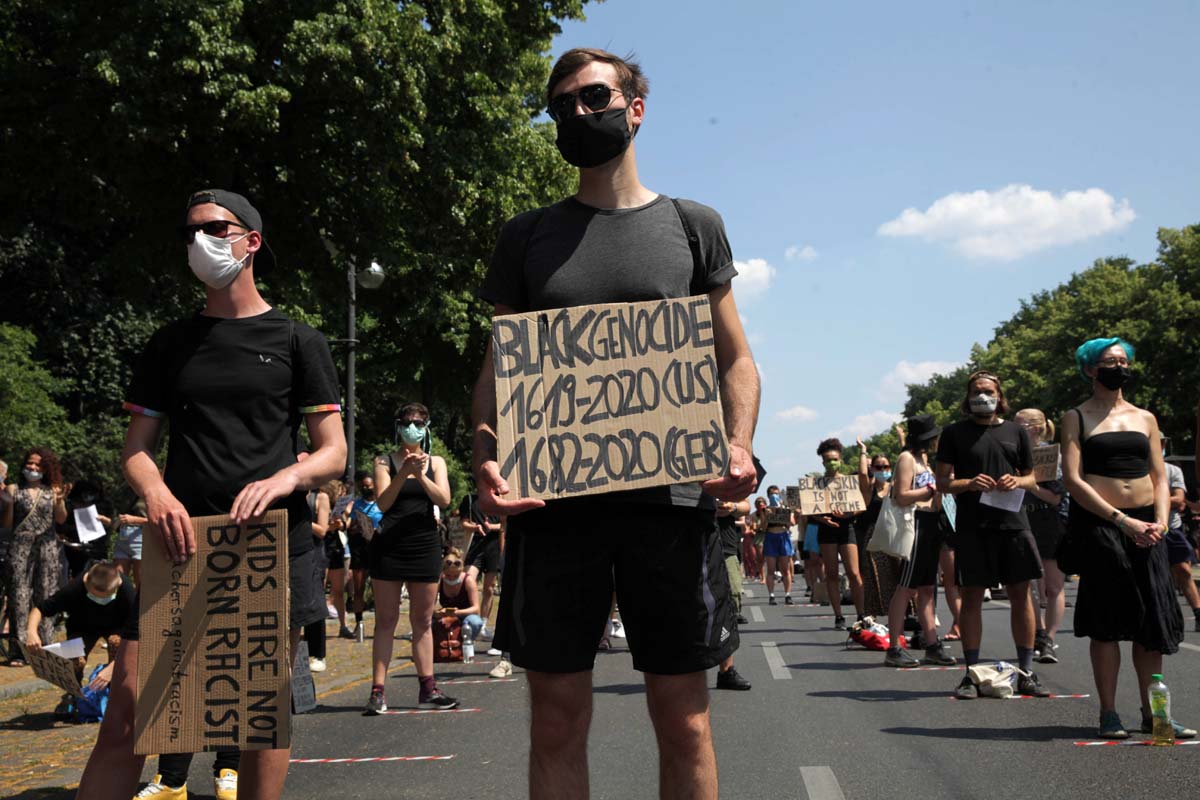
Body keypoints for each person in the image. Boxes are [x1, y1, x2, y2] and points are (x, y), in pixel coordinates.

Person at [471, 48, 758, 799]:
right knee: (556, 720)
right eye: (561, 104)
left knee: (685, 720)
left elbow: (735, 359)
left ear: (635, 109)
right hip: (553, 508)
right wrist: (485, 456)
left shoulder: (693, 227)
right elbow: (498, 372)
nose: (577, 112)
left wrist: (738, 446)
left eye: (593, 97)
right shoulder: (525, 237)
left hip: (672, 506)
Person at [76, 188, 347, 800]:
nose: (199, 241)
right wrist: (155, 492)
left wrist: (285, 479)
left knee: (260, 719)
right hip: (179, 545)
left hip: (269, 548)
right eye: (190, 231)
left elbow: (333, 451)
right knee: (126, 711)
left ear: (251, 241)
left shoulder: (299, 340)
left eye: (214, 228)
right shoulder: (169, 343)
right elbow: (137, 448)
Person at [1061, 338, 1193, 739]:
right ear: (1090, 369)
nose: (1118, 367)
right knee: (1106, 622)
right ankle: (1109, 713)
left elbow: (1159, 477)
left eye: (1123, 361)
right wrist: (1122, 521)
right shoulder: (1076, 417)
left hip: (1149, 527)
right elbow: (1073, 479)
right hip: (1103, 526)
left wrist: (1159, 523)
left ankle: (1155, 714)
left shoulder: (1145, 418)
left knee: (1152, 620)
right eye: (1109, 361)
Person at [935, 370, 1050, 700]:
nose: (982, 396)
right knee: (972, 596)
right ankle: (971, 674)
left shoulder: (1016, 432)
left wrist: (1017, 481)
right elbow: (942, 482)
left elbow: (1031, 478)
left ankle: (1026, 672)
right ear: (967, 397)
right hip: (973, 527)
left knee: (1021, 595)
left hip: (1013, 524)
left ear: (1000, 397)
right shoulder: (954, 433)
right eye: (976, 392)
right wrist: (969, 483)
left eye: (988, 391)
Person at [364, 402, 457, 714]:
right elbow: (383, 503)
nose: (412, 428)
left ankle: (428, 688)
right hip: (389, 547)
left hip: (424, 546)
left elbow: (444, 499)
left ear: (426, 427)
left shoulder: (437, 462)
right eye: (406, 423)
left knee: (422, 621)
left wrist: (421, 475)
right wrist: (403, 473)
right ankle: (378, 691)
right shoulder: (384, 461)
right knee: (386, 620)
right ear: (398, 426)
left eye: (418, 423)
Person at [882, 416, 957, 668]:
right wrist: (930, 490)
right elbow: (901, 495)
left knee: (926, 589)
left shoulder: (923, 460)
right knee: (906, 588)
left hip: (931, 524)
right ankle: (894, 647)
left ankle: (932, 644)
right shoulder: (906, 459)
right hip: (915, 525)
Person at [26, 561, 134, 708]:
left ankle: (115, 692)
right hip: (83, 626)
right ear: (86, 582)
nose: (101, 601)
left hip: (117, 627)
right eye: (95, 596)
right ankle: (72, 694)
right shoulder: (74, 588)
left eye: (106, 597)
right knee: (76, 659)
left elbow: (136, 629)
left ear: (118, 584)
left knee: (117, 643)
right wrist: (32, 632)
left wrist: (113, 668)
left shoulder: (126, 590)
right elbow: (40, 609)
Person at [3, 447, 68, 666]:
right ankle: (19, 651)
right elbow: (7, 524)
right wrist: (8, 504)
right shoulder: (14, 489)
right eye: (29, 463)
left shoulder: (52, 491)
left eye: (37, 465)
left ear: (46, 468)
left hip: (47, 548)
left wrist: (59, 500)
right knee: (18, 597)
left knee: (46, 595)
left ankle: (46, 647)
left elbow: (61, 519)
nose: (32, 467)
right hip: (20, 548)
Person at [1014, 408, 1068, 664]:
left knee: (1053, 585)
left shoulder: (1049, 456)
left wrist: (1029, 484)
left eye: (1020, 426)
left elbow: (1055, 497)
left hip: (1049, 520)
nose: (1014, 430)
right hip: (1023, 519)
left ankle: (1049, 639)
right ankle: (1038, 632)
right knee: (1027, 584)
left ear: (1035, 429)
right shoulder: (1013, 454)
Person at [812, 438, 865, 630]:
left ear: (840, 460)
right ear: (823, 462)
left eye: (834, 459)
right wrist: (822, 519)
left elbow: (860, 506)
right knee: (832, 573)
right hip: (827, 530)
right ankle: (838, 616)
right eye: (828, 460)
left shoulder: (849, 482)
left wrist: (847, 514)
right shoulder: (816, 484)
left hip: (847, 527)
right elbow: (809, 509)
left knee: (854, 572)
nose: (832, 463)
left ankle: (861, 614)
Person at [1160, 439, 1200, 633]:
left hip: (1171, 528)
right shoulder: (1136, 470)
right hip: (1144, 528)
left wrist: (1150, 498)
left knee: (1184, 571)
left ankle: (1198, 613)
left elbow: (1179, 499)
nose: (1158, 446)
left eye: (1161, 443)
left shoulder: (1172, 470)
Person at [716, 499, 752, 690]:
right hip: (690, 543)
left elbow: (746, 505)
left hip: (726, 546)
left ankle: (726, 671)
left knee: (730, 601)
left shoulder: (726, 482)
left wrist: (733, 507)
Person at [459, 489, 502, 639]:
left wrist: (492, 527)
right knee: (467, 582)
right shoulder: (470, 499)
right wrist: (475, 527)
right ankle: (469, 621)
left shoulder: (501, 499)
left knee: (489, 588)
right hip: (474, 545)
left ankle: (483, 625)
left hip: (494, 545)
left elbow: (505, 523)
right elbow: (463, 522)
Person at [346, 470, 381, 639]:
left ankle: (380, 624)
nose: (366, 489)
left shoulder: (382, 502)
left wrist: (376, 529)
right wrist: (355, 526)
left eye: (368, 486)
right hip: (360, 547)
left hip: (377, 547)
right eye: (363, 486)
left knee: (378, 590)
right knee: (358, 588)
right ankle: (359, 623)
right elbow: (351, 524)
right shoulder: (357, 504)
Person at [303, 480, 334, 672]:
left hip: (314, 554)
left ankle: (318, 653)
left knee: (315, 602)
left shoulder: (320, 498)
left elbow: (322, 530)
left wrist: (300, 521)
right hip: (293, 551)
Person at [436, 547, 483, 640]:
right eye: (448, 575)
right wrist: (438, 613)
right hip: (446, 615)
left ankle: (468, 643)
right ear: (443, 572)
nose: (451, 578)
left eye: (456, 575)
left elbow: (476, 609)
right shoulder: (440, 580)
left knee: (475, 622)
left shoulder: (468, 580)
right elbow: (430, 607)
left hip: (466, 615)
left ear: (461, 571)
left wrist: (457, 612)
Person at [758, 494, 795, 605]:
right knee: (771, 569)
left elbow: (792, 523)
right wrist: (768, 517)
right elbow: (763, 528)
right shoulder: (765, 511)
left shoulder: (786, 509)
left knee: (785, 569)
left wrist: (784, 514)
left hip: (783, 536)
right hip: (771, 537)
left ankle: (788, 594)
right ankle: (771, 595)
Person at [112, 497, 147, 588]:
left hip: (141, 539)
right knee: (117, 583)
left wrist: (135, 520)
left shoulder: (154, 494)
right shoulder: (127, 493)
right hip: (122, 539)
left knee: (141, 586)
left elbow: (157, 521)